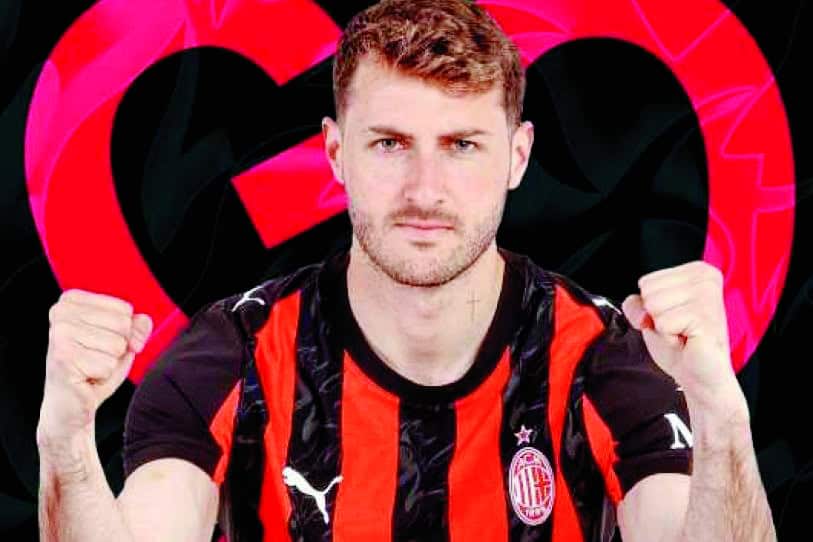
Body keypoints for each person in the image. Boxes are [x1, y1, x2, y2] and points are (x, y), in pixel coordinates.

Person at [36, 1, 776, 540]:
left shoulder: (602, 357)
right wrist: (65, 442)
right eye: (390, 144)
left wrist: (723, 416)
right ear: (335, 153)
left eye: (462, 145)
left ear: (517, 157)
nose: (425, 190)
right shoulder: (232, 354)